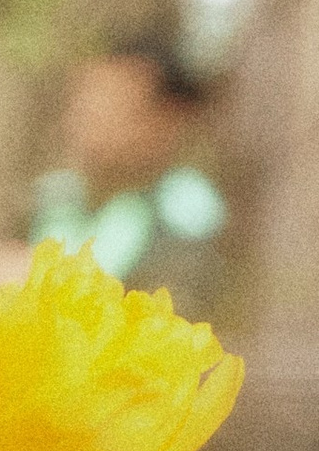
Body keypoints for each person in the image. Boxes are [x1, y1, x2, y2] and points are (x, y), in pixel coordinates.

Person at [27, 41, 228, 303]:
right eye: (81, 103)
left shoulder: (187, 210)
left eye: (109, 105)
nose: (83, 120)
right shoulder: (55, 196)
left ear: (167, 119)